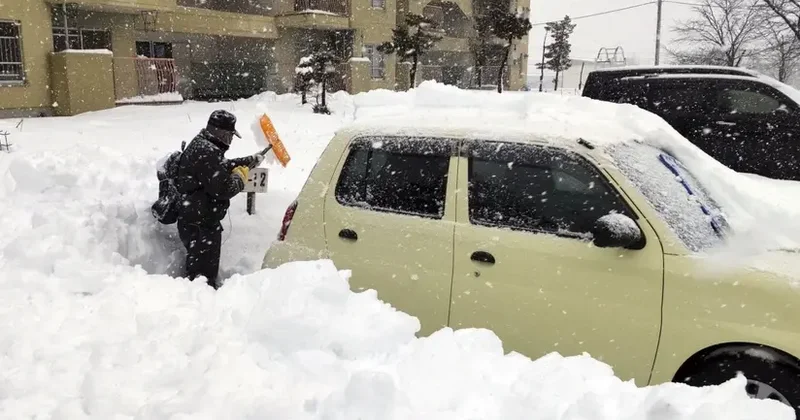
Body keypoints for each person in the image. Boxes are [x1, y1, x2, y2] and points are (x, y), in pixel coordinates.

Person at [174, 110, 264, 289]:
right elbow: (223, 189)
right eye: (230, 135)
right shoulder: (207, 152)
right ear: (221, 133)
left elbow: (220, 167)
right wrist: (239, 179)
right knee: (202, 279)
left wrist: (249, 161)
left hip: (196, 219)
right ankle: (202, 306)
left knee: (200, 272)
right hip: (200, 226)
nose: (231, 140)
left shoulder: (204, 145)